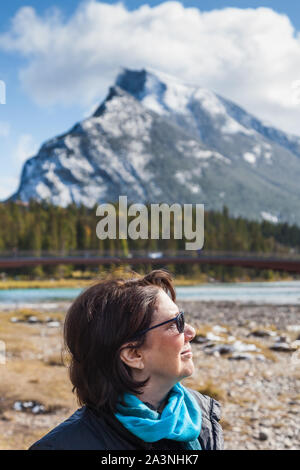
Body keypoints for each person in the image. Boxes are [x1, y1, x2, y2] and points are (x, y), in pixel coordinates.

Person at [29, 270, 223, 450]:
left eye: (183, 317)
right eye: (176, 323)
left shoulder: (201, 413)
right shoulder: (64, 446)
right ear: (133, 355)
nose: (191, 332)